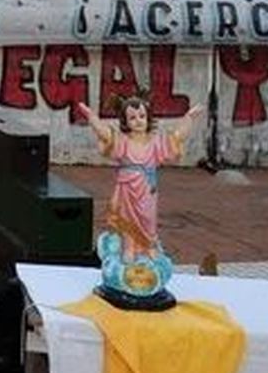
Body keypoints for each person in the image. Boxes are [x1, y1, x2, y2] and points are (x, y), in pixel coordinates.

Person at [75, 95, 204, 262]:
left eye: (142, 116)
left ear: (148, 118)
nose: (138, 121)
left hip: (147, 188)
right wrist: (91, 117)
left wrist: (189, 118)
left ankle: (148, 246)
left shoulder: (155, 142)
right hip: (127, 188)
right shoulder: (123, 142)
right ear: (125, 121)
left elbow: (177, 137)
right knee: (127, 219)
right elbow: (105, 134)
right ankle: (129, 247)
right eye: (132, 118)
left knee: (148, 219)